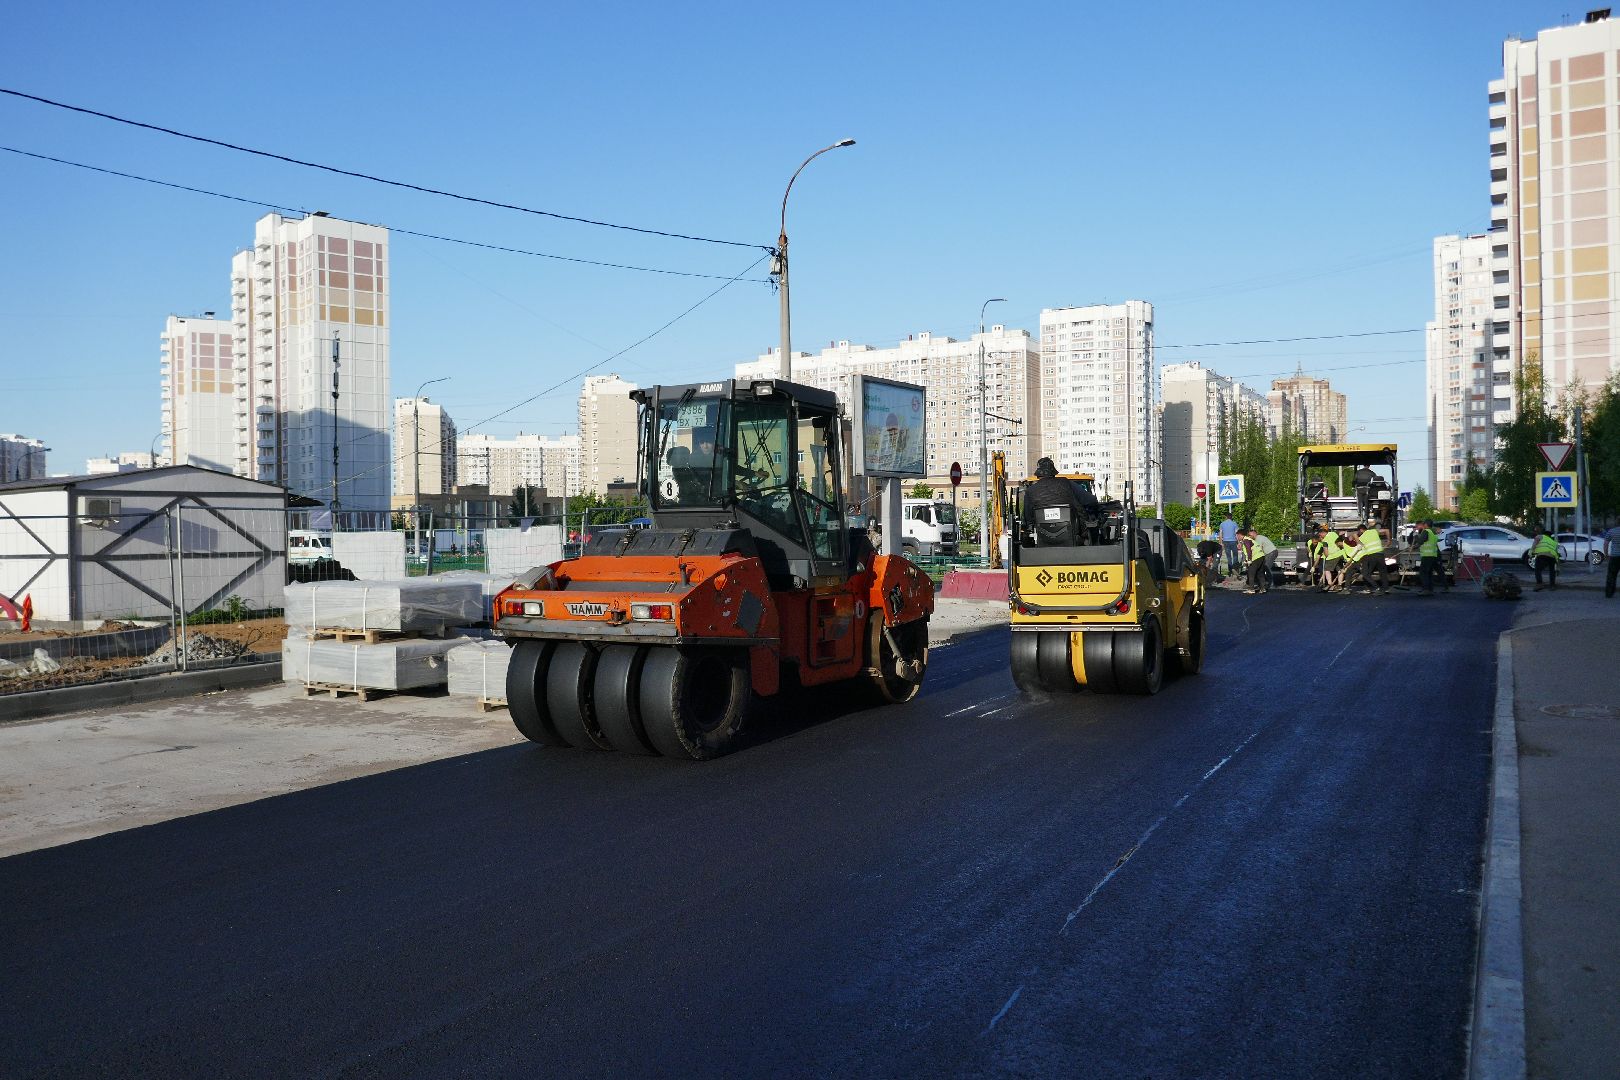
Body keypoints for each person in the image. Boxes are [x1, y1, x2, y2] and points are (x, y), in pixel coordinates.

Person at [1022, 457, 1089, 545]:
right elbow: (1078, 507)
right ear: (1054, 473)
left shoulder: (1031, 491)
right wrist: (1085, 529)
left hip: (1042, 539)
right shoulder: (1065, 483)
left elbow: (1028, 518)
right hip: (1070, 537)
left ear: (1038, 475)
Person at [1413, 518, 1447, 596]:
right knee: (1429, 573)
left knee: (1423, 573)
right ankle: (1430, 589)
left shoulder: (1426, 531)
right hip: (1433, 555)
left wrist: (1415, 535)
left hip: (1427, 555)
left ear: (1425, 524)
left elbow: (1420, 541)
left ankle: (1426, 589)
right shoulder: (1432, 533)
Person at [1356, 520, 1390, 595]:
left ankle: (1376, 588)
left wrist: (1356, 538)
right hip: (1380, 554)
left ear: (1361, 530)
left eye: (1359, 531)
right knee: (1383, 573)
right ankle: (1386, 589)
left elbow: (1359, 547)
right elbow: (1387, 530)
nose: (1359, 533)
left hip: (1372, 556)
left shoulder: (1362, 537)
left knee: (1367, 574)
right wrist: (1388, 541)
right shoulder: (1374, 531)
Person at [1242, 528, 1277, 594]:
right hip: (1270, 553)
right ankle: (1262, 585)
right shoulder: (1259, 538)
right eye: (1249, 535)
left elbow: (1258, 549)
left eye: (1250, 535)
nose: (1250, 536)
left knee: (1266, 568)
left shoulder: (1258, 538)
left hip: (1270, 553)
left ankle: (1269, 584)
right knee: (1262, 569)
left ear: (1254, 533)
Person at [1603, 524, 1620, 598]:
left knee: (1611, 575)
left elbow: (1606, 544)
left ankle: (1609, 593)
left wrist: (1606, 554)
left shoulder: (1611, 531)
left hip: (1614, 557)